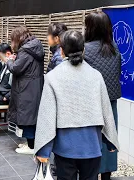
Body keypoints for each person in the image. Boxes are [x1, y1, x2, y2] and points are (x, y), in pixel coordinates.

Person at [34, 30, 119, 180]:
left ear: (61, 51)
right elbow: (106, 110)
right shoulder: (95, 75)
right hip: (92, 145)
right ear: (84, 50)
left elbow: (47, 115)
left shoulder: (53, 77)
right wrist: (110, 142)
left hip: (65, 147)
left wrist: (43, 150)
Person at [84, 11, 122, 180]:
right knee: (110, 137)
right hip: (111, 101)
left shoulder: (85, 49)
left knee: (90, 140)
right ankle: (106, 175)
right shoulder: (114, 48)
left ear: (90, 28)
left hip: (90, 103)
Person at [7, 26, 44, 155]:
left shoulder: (25, 51)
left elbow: (16, 69)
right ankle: (30, 143)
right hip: (34, 87)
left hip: (26, 88)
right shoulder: (35, 47)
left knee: (27, 117)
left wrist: (10, 61)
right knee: (31, 116)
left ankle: (31, 146)